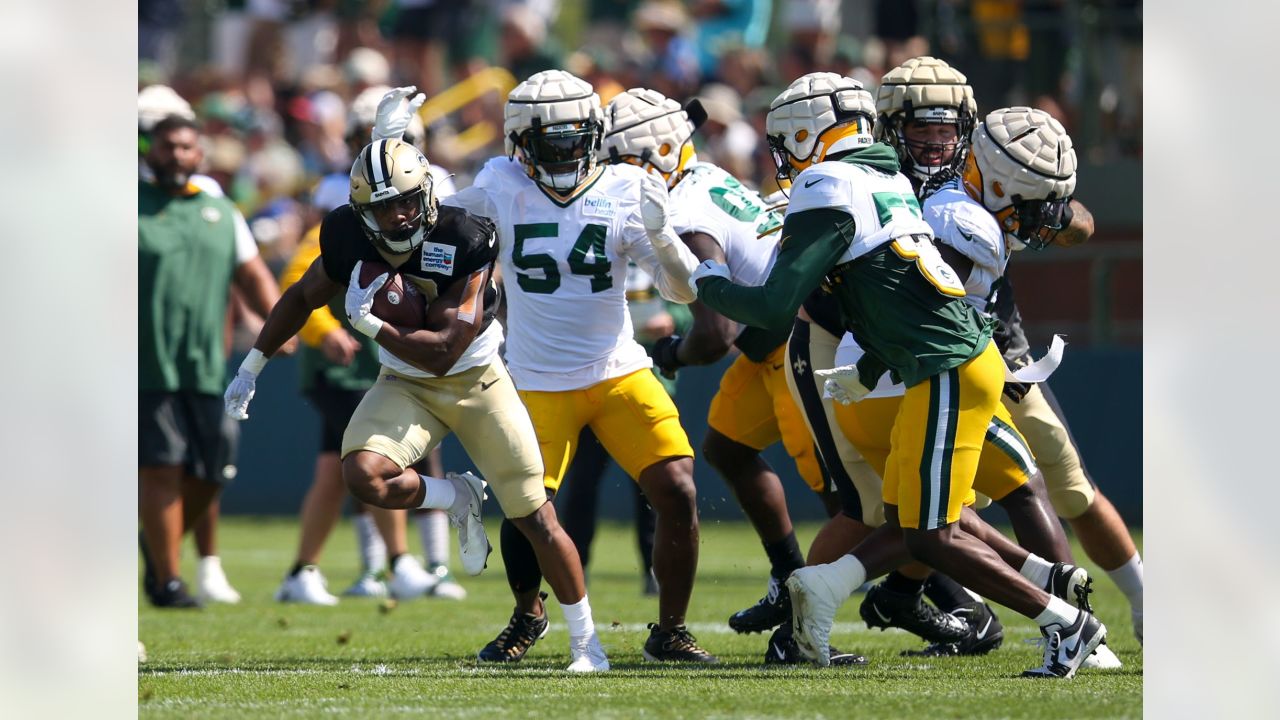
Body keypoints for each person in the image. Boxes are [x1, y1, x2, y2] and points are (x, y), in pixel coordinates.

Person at [691, 72, 1108, 678]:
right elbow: (899, 298)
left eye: (788, 140)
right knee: (916, 520)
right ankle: (1048, 582)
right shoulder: (883, 175)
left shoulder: (827, 182)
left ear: (809, 134)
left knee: (928, 536)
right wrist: (866, 367)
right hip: (932, 362)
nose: (784, 157)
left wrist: (705, 276)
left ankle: (1066, 623)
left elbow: (774, 308)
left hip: (948, 371)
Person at [223, 135, 609, 672]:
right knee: (363, 474)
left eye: (407, 198)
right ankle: (456, 497)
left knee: (535, 516)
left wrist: (373, 323)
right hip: (404, 383)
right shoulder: (345, 232)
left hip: (476, 379)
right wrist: (252, 366)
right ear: (362, 211)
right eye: (384, 206)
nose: (401, 214)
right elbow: (302, 296)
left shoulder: (466, 234)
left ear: (427, 190)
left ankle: (586, 643)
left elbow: (446, 350)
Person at [433, 70, 716, 663]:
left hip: (617, 369)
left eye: (574, 138)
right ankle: (527, 614)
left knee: (678, 488)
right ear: (520, 142)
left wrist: (664, 236)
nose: (565, 152)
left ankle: (670, 629)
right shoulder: (498, 183)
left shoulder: (623, 185)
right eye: (551, 141)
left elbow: (684, 291)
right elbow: (429, 214)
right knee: (524, 506)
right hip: (536, 378)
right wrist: (396, 151)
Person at [599, 87, 862, 667]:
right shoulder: (703, 175)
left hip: (795, 344)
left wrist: (670, 353)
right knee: (727, 446)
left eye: (615, 159)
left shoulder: (684, 216)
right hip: (769, 343)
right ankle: (787, 573)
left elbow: (715, 334)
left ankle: (927, 594)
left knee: (848, 497)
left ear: (657, 153)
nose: (605, 172)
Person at [274, 86, 465, 605]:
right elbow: (302, 274)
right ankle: (393, 564)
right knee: (371, 459)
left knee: (345, 468)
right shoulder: (342, 196)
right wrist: (321, 330)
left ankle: (401, 566)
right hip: (355, 354)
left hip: (401, 347)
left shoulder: (439, 196)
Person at [139, 112, 287, 608]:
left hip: (206, 363)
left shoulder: (221, 212)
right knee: (161, 467)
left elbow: (252, 276)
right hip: (145, 364)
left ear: (199, 154)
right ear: (149, 150)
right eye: (166, 146)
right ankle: (168, 581)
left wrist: (278, 324)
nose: (175, 155)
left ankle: (159, 543)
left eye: (185, 147)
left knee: (216, 467)